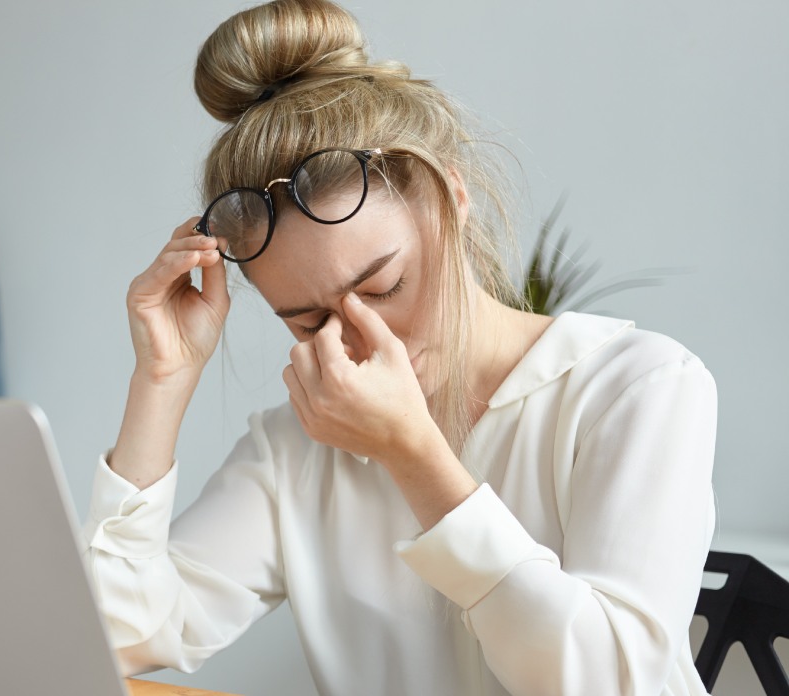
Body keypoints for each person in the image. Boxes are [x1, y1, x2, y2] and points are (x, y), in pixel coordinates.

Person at [80, 1, 717, 694]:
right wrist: (162, 381)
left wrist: (412, 454)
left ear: (451, 196)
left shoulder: (635, 389)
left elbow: (619, 684)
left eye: (382, 287)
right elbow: (113, 637)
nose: (359, 342)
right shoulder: (301, 448)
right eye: (307, 321)